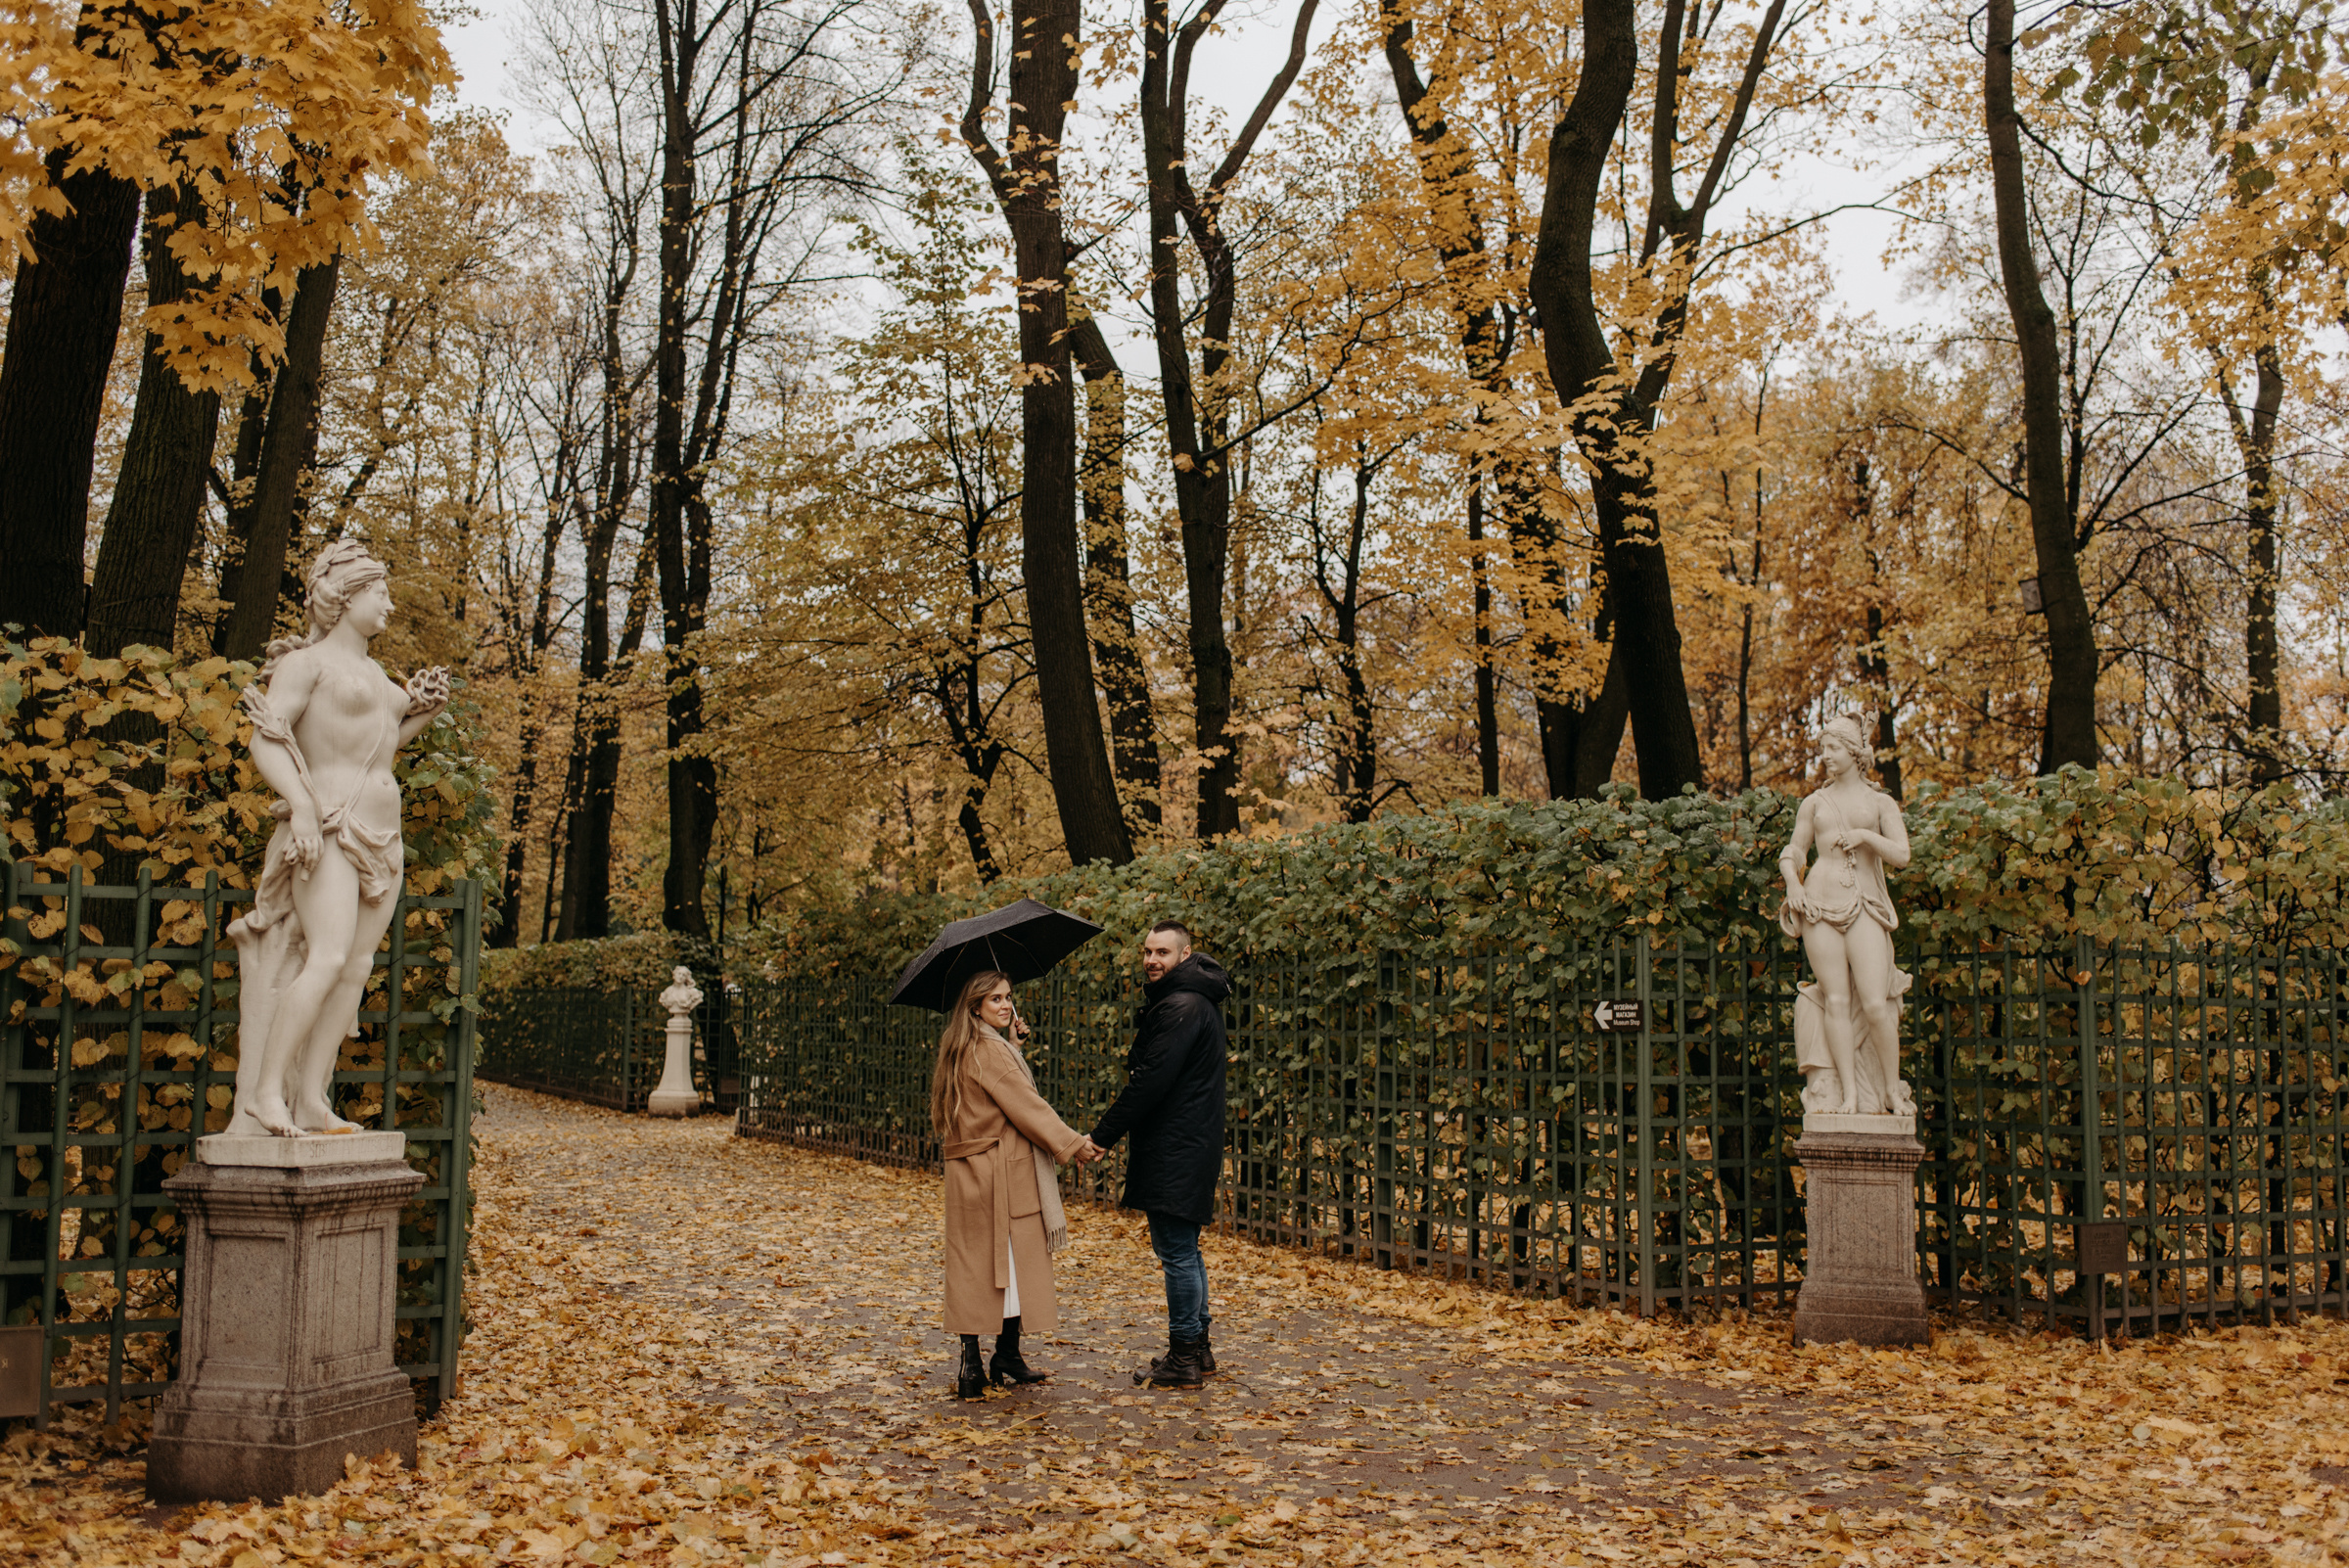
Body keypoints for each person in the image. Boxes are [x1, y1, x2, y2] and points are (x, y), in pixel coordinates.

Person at [224, 541, 449, 1138]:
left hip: (384, 836)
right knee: (325, 957)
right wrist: (300, 809)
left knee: (354, 967)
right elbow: (266, 737)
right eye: (381, 593)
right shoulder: (307, 664)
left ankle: (310, 1099)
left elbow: (383, 744)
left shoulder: (377, 675)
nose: (390, 605)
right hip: (331, 825)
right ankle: (265, 1093)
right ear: (347, 597)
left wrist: (424, 711)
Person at [933, 969, 1103, 1400]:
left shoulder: (962, 1044)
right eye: (995, 999)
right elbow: (1027, 1106)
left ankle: (978, 1363)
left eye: (1008, 996)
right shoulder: (991, 1050)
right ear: (975, 1007)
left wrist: (1014, 1047)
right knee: (1010, 1260)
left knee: (975, 1263)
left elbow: (990, 1096)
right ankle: (999, 1355)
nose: (1007, 1004)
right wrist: (1073, 1145)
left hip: (968, 1172)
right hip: (1001, 1172)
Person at [1087, 920, 1230, 1391]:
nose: (1152, 960)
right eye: (1148, 951)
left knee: (1177, 1253)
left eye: (1162, 953)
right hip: (1189, 1141)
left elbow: (1149, 1081)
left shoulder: (1181, 1005)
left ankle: (1184, 1357)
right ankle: (1199, 1350)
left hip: (1176, 1146)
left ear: (1185, 955)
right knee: (1186, 1249)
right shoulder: (1194, 1001)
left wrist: (1103, 1135)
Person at [1777, 714, 1915, 1117]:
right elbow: (1794, 851)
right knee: (1835, 1000)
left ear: (1855, 753)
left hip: (1864, 903)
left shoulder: (1880, 802)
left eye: (1833, 748)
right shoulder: (1814, 803)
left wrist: (1865, 836)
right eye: (1823, 749)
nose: (1826, 756)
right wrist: (1793, 884)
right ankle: (1850, 1095)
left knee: (1875, 1003)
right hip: (1818, 905)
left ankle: (1890, 1091)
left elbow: (1902, 855)